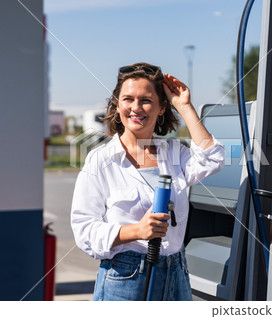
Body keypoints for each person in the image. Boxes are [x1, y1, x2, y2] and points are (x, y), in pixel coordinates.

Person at [71, 62, 225, 301]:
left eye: (146, 100)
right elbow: (84, 230)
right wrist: (136, 231)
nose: (135, 108)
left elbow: (212, 159)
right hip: (125, 277)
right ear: (117, 104)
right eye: (128, 99)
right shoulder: (100, 160)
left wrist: (184, 107)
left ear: (161, 107)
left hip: (176, 273)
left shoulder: (174, 153)